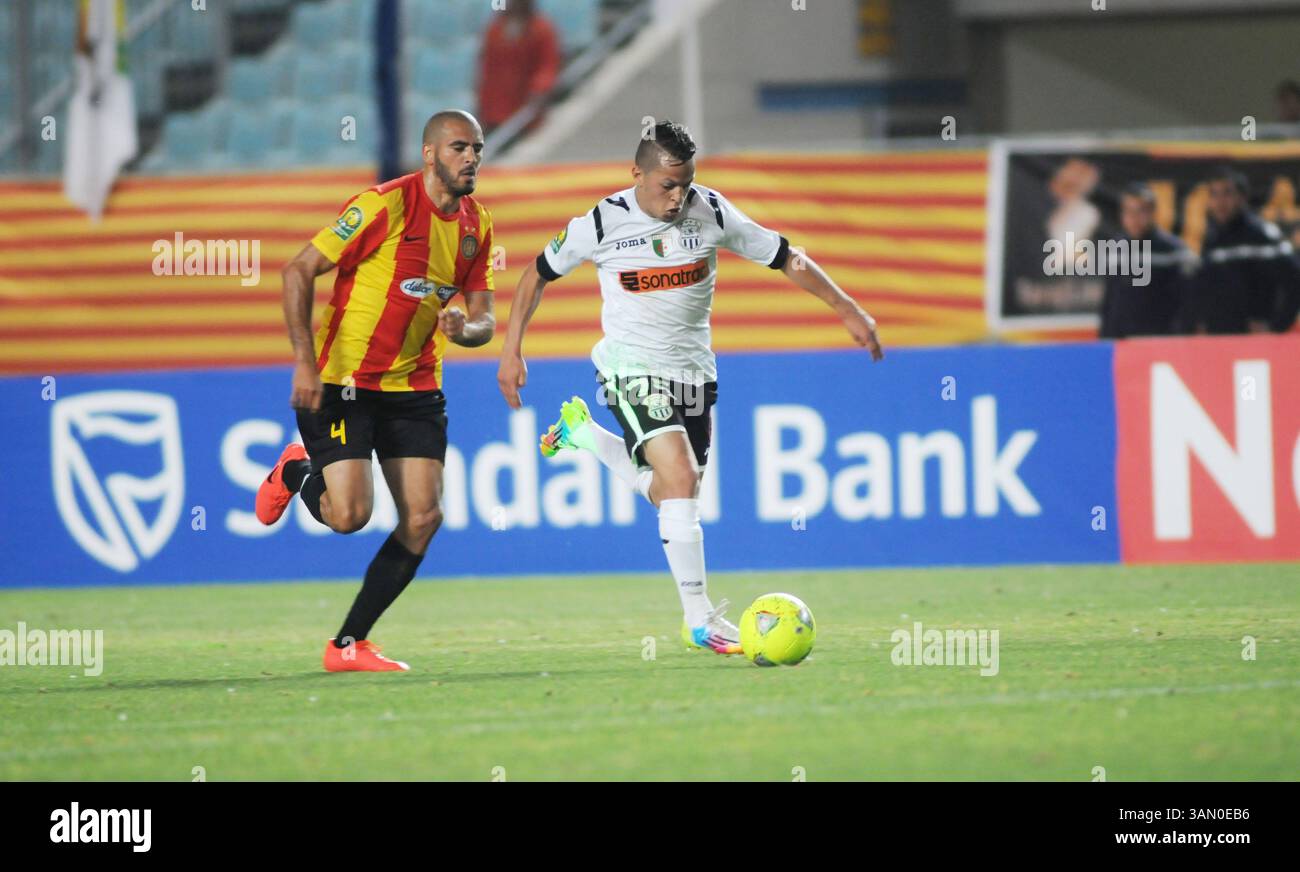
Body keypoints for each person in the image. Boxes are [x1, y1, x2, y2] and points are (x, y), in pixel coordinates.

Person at [496, 121, 883, 654]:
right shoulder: (601, 223)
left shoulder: (713, 211)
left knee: (673, 491)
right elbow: (534, 275)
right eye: (667, 186)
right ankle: (699, 619)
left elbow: (785, 255)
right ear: (637, 174)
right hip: (630, 368)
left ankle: (583, 436)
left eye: (686, 184)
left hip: (695, 374)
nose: (678, 197)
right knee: (678, 477)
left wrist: (847, 306)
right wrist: (512, 348)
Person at [255, 110, 496, 672]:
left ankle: (348, 645)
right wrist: (302, 362)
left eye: (478, 149)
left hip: (415, 386)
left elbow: (484, 318)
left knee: (423, 517)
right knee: (349, 516)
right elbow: (297, 272)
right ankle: (296, 471)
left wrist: (466, 330)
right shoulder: (382, 205)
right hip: (344, 382)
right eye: (460, 147)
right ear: (430, 152)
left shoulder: (476, 226)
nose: (472, 159)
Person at [1181, 167, 1300, 334]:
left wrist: (1276, 326)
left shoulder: (1261, 234)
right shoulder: (1213, 237)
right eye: (1214, 194)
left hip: (1254, 342)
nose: (1220, 201)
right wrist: (1199, 322)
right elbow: (1205, 288)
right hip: (1218, 339)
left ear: (1242, 197)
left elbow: (1294, 280)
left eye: (1227, 193)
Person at [1098, 183, 1195, 339]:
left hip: (1160, 342)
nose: (1134, 218)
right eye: (1129, 211)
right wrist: (1105, 338)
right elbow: (1110, 301)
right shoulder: (1114, 248)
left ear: (1153, 212)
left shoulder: (1174, 251)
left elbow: (1186, 304)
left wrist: (1180, 339)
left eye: (1141, 211)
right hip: (1122, 343)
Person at [477, 0, 561, 136]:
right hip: (495, 111)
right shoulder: (495, 30)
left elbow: (548, 66)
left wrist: (539, 88)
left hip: (526, 111)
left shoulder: (542, 29)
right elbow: (487, 70)